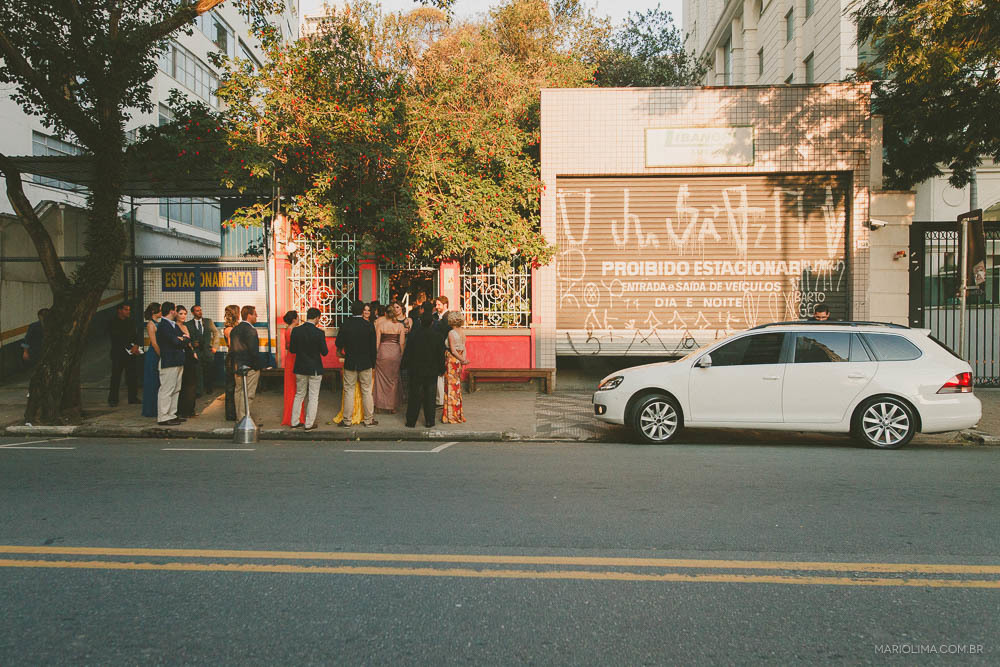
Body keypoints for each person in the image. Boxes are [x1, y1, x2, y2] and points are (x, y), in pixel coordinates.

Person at [335, 299, 377, 427]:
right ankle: (369, 419)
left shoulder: (346, 324)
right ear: (361, 311)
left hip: (350, 362)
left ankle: (347, 420)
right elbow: (373, 348)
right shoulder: (368, 325)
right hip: (366, 363)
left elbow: (338, 343)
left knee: (349, 391)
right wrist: (373, 364)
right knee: (366, 391)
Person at [403, 310, 446, 428]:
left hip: (416, 369)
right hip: (431, 369)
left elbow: (408, 353)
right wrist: (442, 369)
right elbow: (440, 355)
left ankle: (411, 421)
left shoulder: (413, 335)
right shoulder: (438, 336)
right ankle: (429, 421)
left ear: (420, 322)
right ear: (432, 322)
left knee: (414, 395)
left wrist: (404, 365)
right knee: (430, 396)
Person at [289, 307, 329, 430]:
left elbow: (292, 350)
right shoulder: (319, 333)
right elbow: (325, 352)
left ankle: (294, 421)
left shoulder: (296, 331)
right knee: (313, 396)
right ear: (317, 318)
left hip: (300, 367)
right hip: (315, 368)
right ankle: (309, 423)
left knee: (299, 394)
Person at [155, 301, 190, 426]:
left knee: (176, 389)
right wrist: (182, 339)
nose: (176, 312)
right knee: (167, 389)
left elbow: (184, 337)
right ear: (171, 311)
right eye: (175, 310)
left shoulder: (172, 325)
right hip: (169, 361)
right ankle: (163, 416)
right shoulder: (164, 326)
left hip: (176, 360)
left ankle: (172, 414)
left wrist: (182, 339)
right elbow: (176, 341)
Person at [231, 305, 263, 425]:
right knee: (248, 393)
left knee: (238, 392)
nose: (256, 316)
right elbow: (253, 351)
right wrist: (258, 365)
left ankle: (239, 418)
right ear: (249, 315)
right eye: (255, 314)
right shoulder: (251, 330)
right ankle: (245, 418)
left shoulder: (235, 329)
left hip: (237, 365)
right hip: (250, 367)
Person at [374, 300, 406, 413]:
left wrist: (375, 354)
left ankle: (379, 405)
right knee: (394, 380)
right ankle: (392, 407)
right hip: (395, 353)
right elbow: (401, 343)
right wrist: (402, 355)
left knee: (380, 380)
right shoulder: (400, 326)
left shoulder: (380, 325)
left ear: (386, 314)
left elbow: (377, 343)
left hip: (382, 353)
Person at [107, 302, 139, 407]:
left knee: (132, 376)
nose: (128, 312)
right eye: (126, 310)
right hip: (118, 353)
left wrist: (136, 345)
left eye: (129, 310)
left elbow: (135, 335)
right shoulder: (112, 322)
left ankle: (133, 397)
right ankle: (113, 399)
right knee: (116, 376)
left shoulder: (131, 322)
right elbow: (117, 338)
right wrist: (130, 347)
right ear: (119, 310)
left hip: (130, 353)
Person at [442, 310, 470, 424]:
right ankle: (457, 413)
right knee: (457, 387)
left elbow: (453, 350)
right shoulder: (462, 332)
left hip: (452, 360)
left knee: (450, 386)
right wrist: (463, 359)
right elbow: (463, 347)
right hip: (459, 360)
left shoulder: (451, 333)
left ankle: (450, 415)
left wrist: (461, 359)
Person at [280, 310, 305, 427]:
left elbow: (286, 346)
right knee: (297, 389)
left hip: (289, 358)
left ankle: (289, 415)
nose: (299, 319)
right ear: (294, 319)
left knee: (290, 388)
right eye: (298, 317)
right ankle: (297, 416)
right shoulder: (295, 331)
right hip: (296, 359)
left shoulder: (286, 330)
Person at [175, 305, 200, 418]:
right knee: (182, 384)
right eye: (181, 313)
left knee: (191, 384)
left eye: (185, 314)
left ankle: (190, 409)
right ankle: (181, 410)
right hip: (180, 356)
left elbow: (189, 343)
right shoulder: (174, 327)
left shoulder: (185, 327)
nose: (183, 316)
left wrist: (193, 352)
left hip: (189, 356)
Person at [189, 305, 218, 395]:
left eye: (200, 310)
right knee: (198, 371)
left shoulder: (208, 321)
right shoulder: (188, 324)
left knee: (209, 370)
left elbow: (216, 332)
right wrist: (193, 344)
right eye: (197, 311)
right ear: (193, 313)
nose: (200, 312)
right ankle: (199, 391)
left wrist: (215, 347)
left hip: (208, 350)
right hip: (197, 351)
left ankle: (209, 388)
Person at [141, 302, 162, 418]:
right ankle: (150, 409)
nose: (161, 312)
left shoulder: (158, 323)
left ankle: (156, 407)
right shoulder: (151, 324)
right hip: (154, 354)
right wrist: (161, 355)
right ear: (154, 312)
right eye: (159, 310)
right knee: (152, 381)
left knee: (157, 382)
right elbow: (154, 343)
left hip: (157, 353)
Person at [432, 295, 451, 405]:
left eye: (439, 305)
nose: (437, 307)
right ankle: (439, 398)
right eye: (436, 304)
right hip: (436, 348)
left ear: (445, 305)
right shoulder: (434, 316)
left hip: (445, 347)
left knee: (443, 374)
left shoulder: (449, 316)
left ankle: (442, 399)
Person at [222, 304, 240, 421]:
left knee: (232, 385)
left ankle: (233, 412)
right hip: (232, 358)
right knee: (231, 386)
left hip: (232, 357)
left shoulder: (229, 328)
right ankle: (231, 413)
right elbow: (232, 345)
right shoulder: (230, 330)